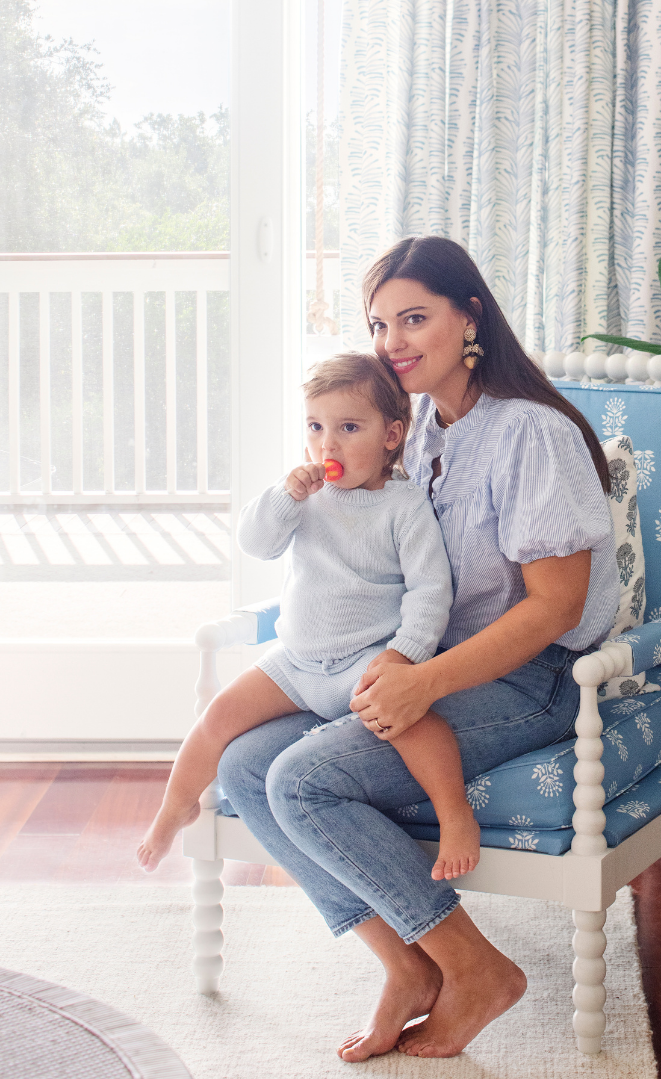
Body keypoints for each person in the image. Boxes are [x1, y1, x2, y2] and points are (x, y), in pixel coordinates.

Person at [216, 235, 618, 1060]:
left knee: (302, 780)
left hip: (535, 676)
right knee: (242, 767)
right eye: (378, 323)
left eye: (413, 318)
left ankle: (476, 972)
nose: (390, 341)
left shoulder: (531, 434)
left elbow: (556, 607)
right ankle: (407, 965)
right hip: (428, 661)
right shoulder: (417, 422)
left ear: (470, 317)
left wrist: (420, 683)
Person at [137, 353, 479, 881]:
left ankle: (455, 816)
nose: (328, 445)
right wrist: (285, 495)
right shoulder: (303, 498)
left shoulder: (403, 507)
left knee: (413, 724)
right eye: (316, 427)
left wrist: (402, 657)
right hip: (295, 663)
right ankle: (175, 806)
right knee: (217, 720)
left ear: (392, 436)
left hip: (362, 661)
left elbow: (431, 592)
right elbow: (256, 543)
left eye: (348, 427)